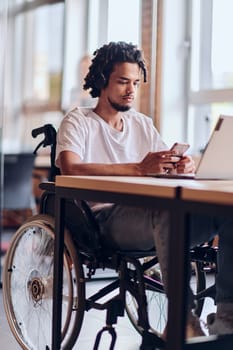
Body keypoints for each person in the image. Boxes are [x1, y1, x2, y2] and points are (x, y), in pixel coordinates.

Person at [56, 41, 233, 338]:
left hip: (149, 217)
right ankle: (182, 319)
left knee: (227, 213)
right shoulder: (78, 121)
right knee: (165, 213)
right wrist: (139, 168)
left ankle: (227, 315)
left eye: (136, 83)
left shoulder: (142, 124)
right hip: (101, 220)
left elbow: (159, 164)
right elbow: (70, 168)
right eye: (123, 81)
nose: (131, 90)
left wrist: (179, 166)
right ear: (101, 81)